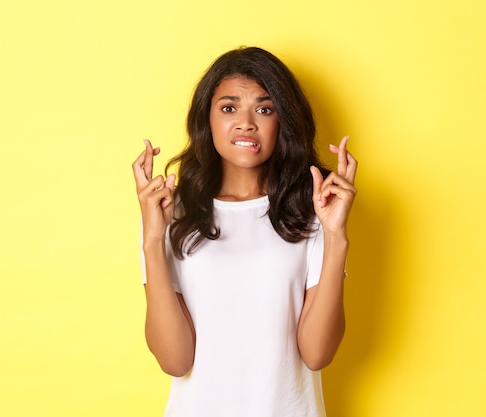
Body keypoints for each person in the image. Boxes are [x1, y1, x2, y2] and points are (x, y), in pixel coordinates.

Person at [132, 46, 357, 417]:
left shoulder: (312, 210)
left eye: (264, 109)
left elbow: (317, 354)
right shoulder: (172, 212)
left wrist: (336, 235)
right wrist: (153, 240)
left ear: (282, 121)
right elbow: (174, 360)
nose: (246, 122)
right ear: (207, 118)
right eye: (229, 107)